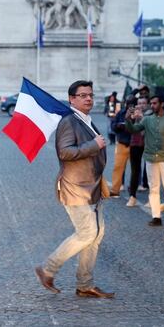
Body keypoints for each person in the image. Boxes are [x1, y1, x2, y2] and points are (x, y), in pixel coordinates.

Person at [35, 80, 113, 299]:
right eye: (83, 95)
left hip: (93, 187)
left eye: (90, 95)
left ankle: (84, 284)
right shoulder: (69, 121)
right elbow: (65, 152)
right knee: (87, 233)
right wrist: (94, 145)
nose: (88, 98)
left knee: (96, 236)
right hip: (75, 187)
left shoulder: (86, 120)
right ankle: (47, 269)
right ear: (72, 99)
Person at [126, 94, 164, 227]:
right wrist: (128, 119)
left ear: (162, 104)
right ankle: (156, 217)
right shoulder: (147, 119)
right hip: (150, 158)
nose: (153, 105)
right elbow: (134, 130)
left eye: (155, 103)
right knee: (153, 188)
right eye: (152, 103)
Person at [109, 97, 134, 197]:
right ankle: (115, 189)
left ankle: (133, 190)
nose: (130, 107)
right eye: (128, 104)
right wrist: (118, 126)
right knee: (118, 167)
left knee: (135, 170)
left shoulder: (138, 114)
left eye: (132, 105)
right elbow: (113, 126)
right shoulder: (120, 113)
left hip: (134, 145)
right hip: (122, 143)